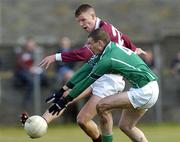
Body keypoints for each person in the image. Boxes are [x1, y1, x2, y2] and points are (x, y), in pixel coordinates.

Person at [21, 4, 146, 142]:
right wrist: (134, 49)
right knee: (65, 99)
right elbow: (124, 37)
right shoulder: (105, 28)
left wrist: (55, 57)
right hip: (99, 73)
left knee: (86, 117)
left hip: (110, 79)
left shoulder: (104, 31)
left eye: (83, 20)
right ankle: (39, 123)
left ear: (93, 16)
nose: (81, 24)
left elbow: (84, 54)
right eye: (79, 21)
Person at [47, 29, 159, 142]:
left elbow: (87, 81)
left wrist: (64, 101)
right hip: (149, 88)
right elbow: (84, 70)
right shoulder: (110, 49)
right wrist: (62, 90)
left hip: (145, 91)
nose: (88, 46)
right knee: (126, 127)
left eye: (90, 43)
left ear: (100, 43)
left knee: (102, 106)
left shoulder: (107, 60)